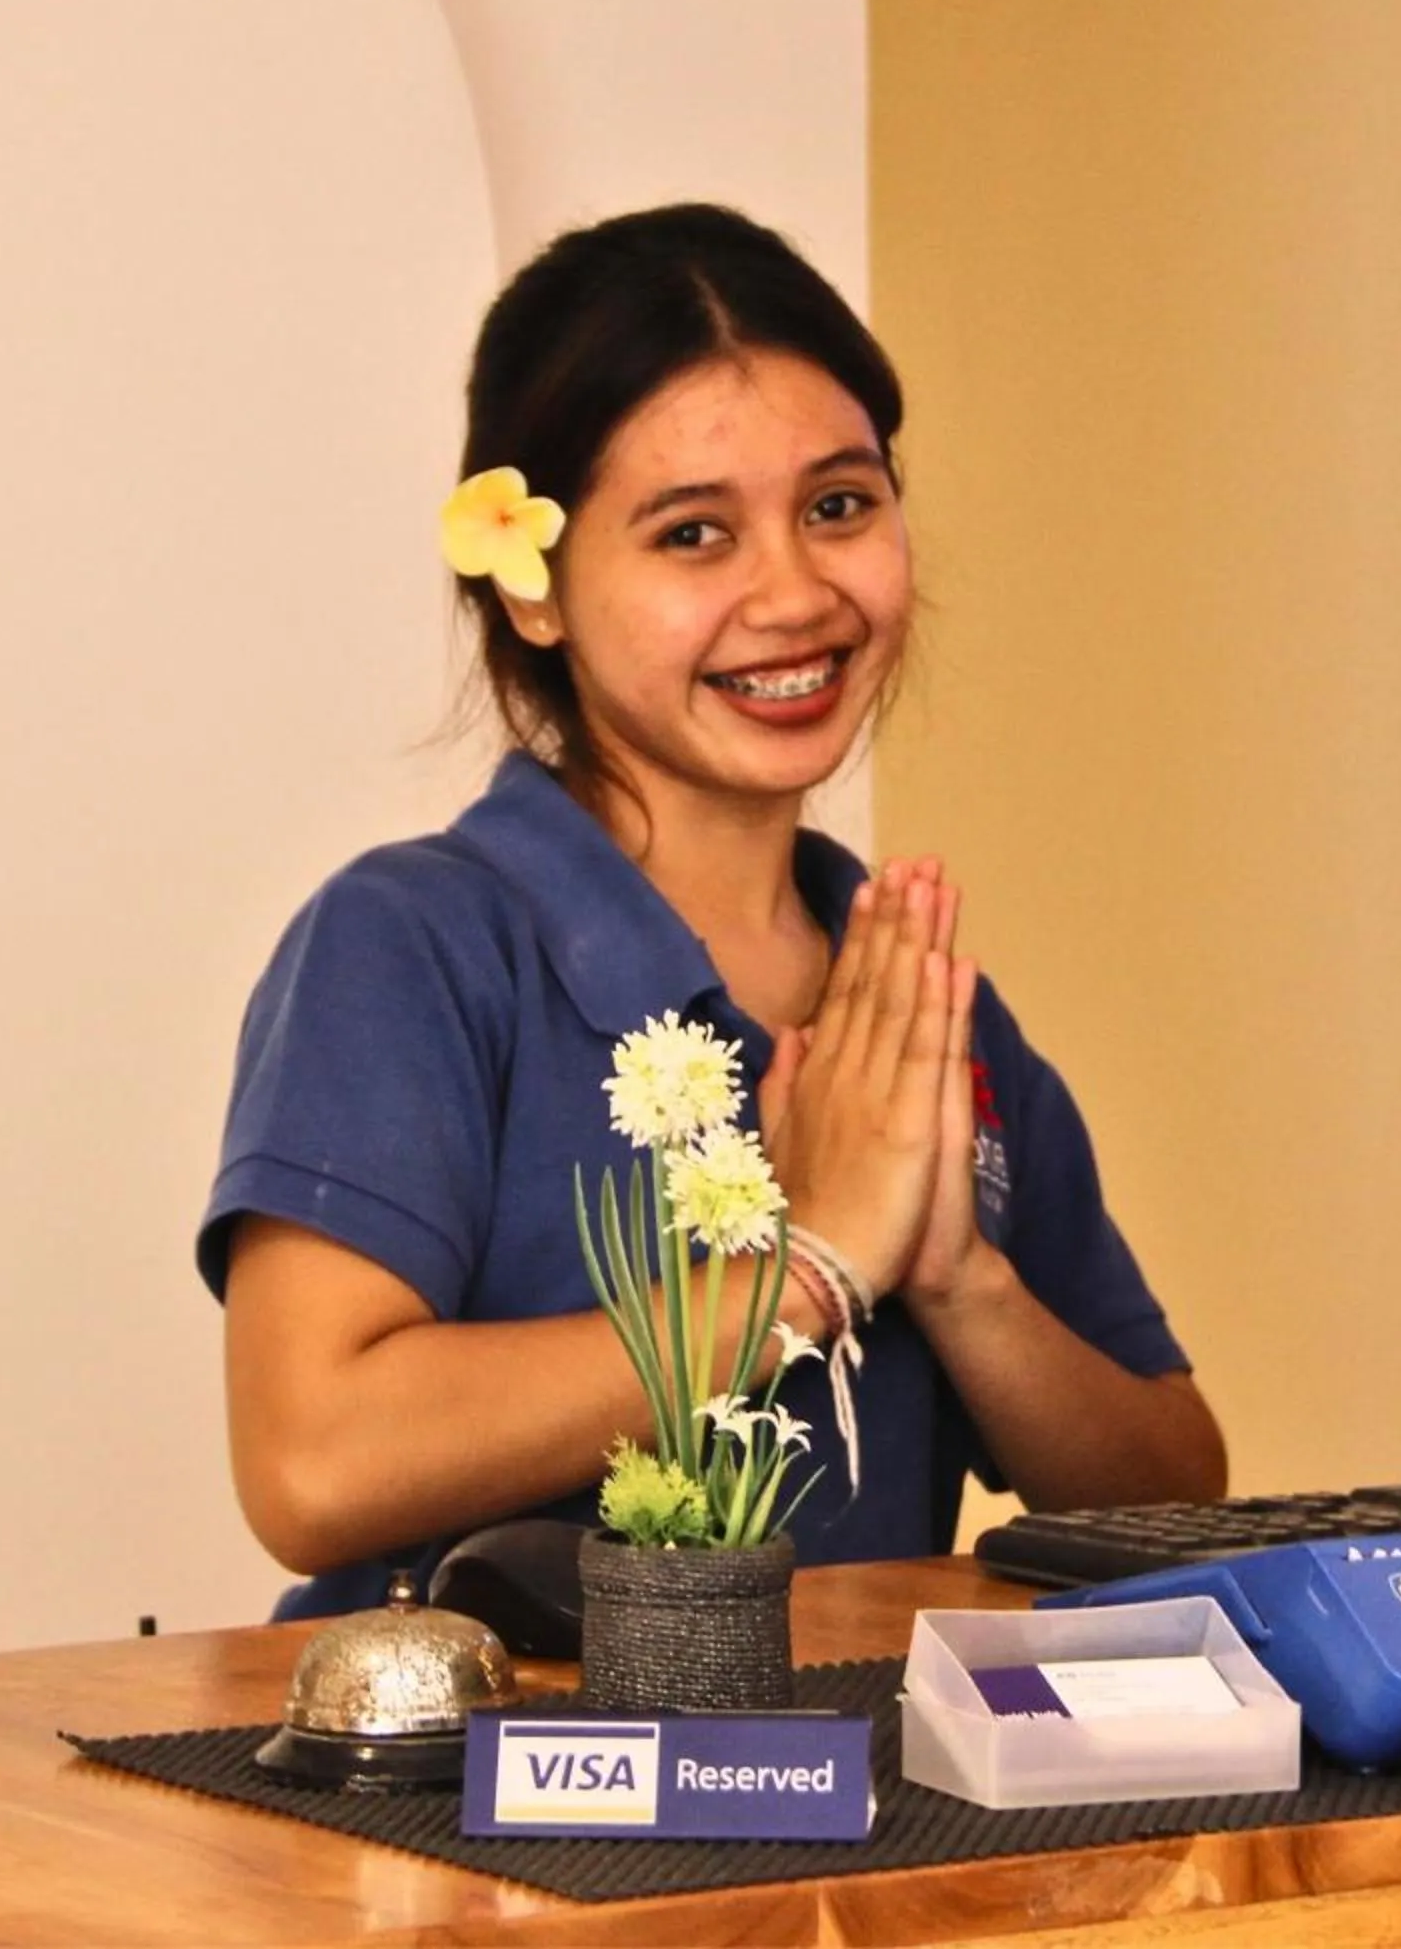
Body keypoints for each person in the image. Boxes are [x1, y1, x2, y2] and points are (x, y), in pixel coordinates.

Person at [200, 202, 1226, 1616]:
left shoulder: (909, 1001)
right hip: (474, 1822)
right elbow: (312, 1464)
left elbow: (1173, 1490)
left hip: (850, 1812)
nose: (795, 592)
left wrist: (953, 1275)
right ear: (537, 592)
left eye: (840, 505)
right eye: (694, 534)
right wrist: (803, 1271)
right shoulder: (412, 946)